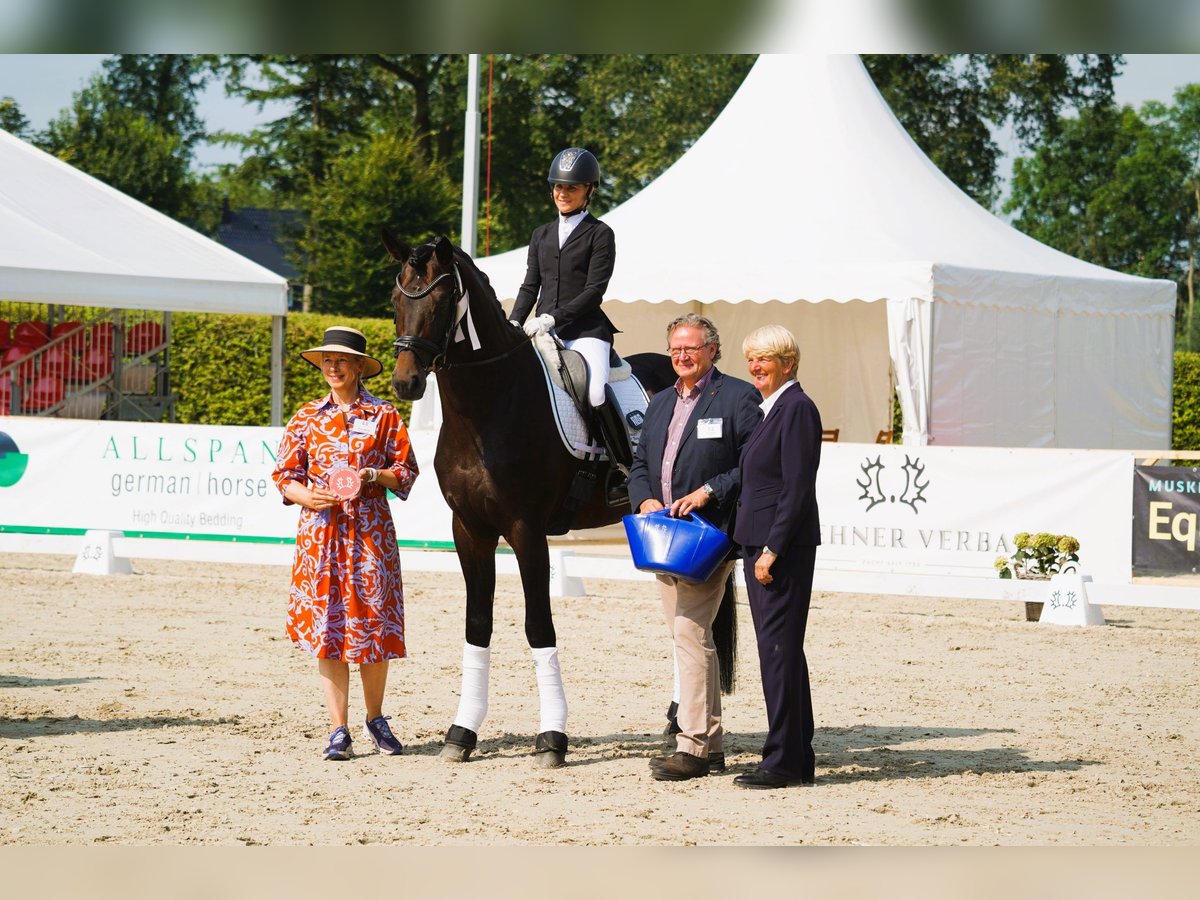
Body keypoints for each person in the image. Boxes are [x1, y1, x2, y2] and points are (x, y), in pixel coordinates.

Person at [272, 325, 420, 761]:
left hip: (371, 534)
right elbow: (284, 476)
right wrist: (306, 495)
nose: (333, 368)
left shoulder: (385, 416)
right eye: (327, 362)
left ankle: (375, 718)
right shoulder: (305, 417)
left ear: (359, 367)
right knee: (328, 631)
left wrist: (373, 476)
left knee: (374, 626)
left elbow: (406, 471)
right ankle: (338, 730)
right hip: (321, 536)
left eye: (341, 361)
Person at [627, 313, 762, 781]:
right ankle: (712, 743)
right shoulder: (661, 401)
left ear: (712, 350)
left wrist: (710, 491)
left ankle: (696, 746)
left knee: (690, 636)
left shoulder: (739, 397)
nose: (682, 356)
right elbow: (640, 461)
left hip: (709, 536)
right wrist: (644, 497)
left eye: (691, 348)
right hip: (663, 537)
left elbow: (753, 465)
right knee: (690, 638)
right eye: (675, 349)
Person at [731, 325, 823, 789]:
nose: (755, 367)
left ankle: (784, 761)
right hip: (759, 543)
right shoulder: (771, 410)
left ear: (788, 362)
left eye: (763, 359)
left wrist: (772, 549)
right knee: (781, 652)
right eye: (750, 359)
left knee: (778, 653)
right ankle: (797, 756)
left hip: (778, 549)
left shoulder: (798, 409)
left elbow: (796, 488)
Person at [509, 147, 630, 472]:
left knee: (594, 394)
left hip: (585, 332)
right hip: (541, 329)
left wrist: (552, 318)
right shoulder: (541, 235)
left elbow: (594, 291)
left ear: (588, 190)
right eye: (559, 187)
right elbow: (529, 285)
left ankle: (620, 465)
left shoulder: (600, 234)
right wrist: (514, 321)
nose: (563, 194)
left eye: (572, 188)